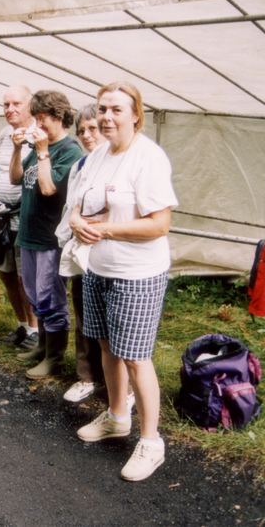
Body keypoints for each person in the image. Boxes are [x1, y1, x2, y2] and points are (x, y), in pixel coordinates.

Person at [70, 82, 178, 482]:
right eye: (102, 109)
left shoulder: (148, 157)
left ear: (136, 114)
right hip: (99, 268)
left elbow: (160, 224)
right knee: (106, 347)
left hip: (138, 273)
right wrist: (78, 223)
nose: (107, 117)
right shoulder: (97, 155)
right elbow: (81, 207)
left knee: (135, 356)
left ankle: (151, 442)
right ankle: (117, 416)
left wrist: (108, 230)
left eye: (116, 109)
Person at [10, 90, 82, 380]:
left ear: (59, 117)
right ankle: (42, 347)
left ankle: (54, 358)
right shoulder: (38, 146)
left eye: (43, 119)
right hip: (28, 234)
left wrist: (41, 152)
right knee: (34, 295)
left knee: (51, 298)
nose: (38, 124)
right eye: (36, 118)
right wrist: (18, 150)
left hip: (50, 240)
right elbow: (16, 178)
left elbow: (49, 188)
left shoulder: (69, 151)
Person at [0, 86, 40, 351]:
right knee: (6, 274)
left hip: (24, 217)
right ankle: (22, 325)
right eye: (6, 105)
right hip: (3, 216)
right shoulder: (5, 133)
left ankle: (36, 329)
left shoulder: (39, 134)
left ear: (30, 105)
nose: (10, 109)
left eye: (16, 104)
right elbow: (2, 169)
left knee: (26, 277)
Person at [56, 104, 107, 403]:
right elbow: (70, 208)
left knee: (111, 319)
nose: (87, 136)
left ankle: (116, 383)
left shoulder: (120, 163)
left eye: (93, 129)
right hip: (82, 249)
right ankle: (86, 375)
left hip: (111, 250)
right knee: (84, 311)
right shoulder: (80, 166)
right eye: (82, 131)